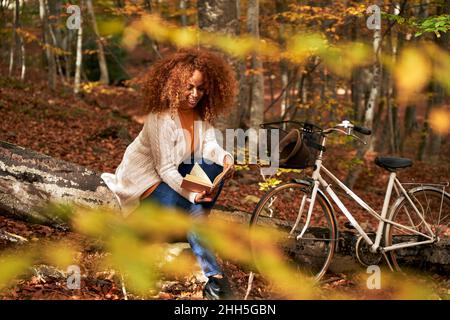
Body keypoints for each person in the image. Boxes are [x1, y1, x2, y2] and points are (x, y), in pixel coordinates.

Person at [101, 48, 238, 300]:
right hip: (146, 190)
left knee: (214, 166)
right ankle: (213, 275)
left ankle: (198, 249)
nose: (195, 94)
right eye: (189, 87)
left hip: (172, 189)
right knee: (196, 207)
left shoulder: (200, 117)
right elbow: (165, 169)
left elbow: (210, 147)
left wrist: (226, 158)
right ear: (175, 84)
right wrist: (192, 193)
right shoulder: (161, 118)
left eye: (201, 88)